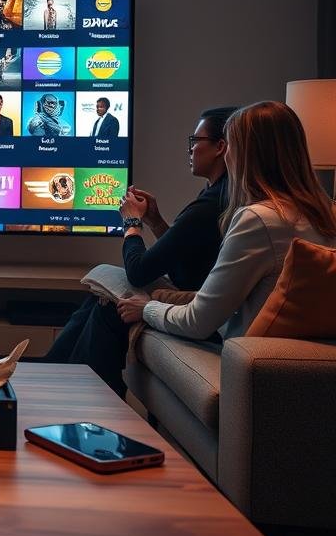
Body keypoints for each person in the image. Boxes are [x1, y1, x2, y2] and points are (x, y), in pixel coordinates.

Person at [45, 106, 249, 396]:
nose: (190, 149)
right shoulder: (219, 194)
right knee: (99, 296)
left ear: (220, 147)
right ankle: (52, 379)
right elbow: (184, 265)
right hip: (192, 290)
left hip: (204, 314)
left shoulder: (210, 205)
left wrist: (131, 222)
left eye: (195, 141)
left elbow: (140, 271)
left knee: (108, 305)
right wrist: (154, 220)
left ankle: (80, 394)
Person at [118, 101, 336, 342]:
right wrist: (157, 223)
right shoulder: (327, 212)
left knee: (111, 287)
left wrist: (147, 308)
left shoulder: (259, 220)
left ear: (247, 153)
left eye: (231, 145)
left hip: (244, 353)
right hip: (300, 350)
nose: (227, 154)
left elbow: (197, 322)